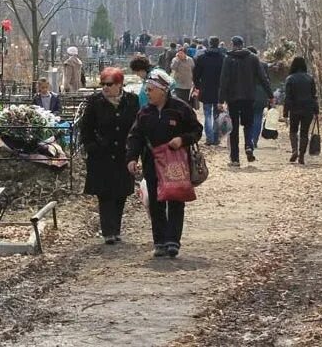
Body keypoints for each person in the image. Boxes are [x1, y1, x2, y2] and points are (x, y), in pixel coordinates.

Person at [126, 70, 203, 258]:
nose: (148, 93)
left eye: (151, 90)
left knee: (176, 199)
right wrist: (132, 158)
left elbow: (196, 130)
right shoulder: (144, 113)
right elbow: (135, 136)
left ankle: (173, 240)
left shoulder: (180, 109)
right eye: (147, 90)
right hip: (152, 162)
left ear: (163, 90)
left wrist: (182, 139)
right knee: (155, 201)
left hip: (176, 162)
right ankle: (159, 241)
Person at [79, 67, 140, 244]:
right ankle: (108, 231)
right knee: (105, 194)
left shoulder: (131, 100)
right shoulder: (95, 101)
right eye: (103, 84)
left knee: (121, 192)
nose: (105, 88)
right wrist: (91, 146)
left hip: (123, 154)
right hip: (102, 155)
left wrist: (134, 150)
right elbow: (86, 128)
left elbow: (136, 126)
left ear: (119, 84)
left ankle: (116, 228)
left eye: (109, 84)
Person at [219, 36, 273, 166]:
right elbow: (262, 77)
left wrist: (221, 100)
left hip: (232, 98)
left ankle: (235, 159)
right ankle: (249, 145)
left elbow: (224, 80)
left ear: (232, 44)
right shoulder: (253, 58)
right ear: (243, 44)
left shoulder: (228, 59)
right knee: (248, 124)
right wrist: (270, 95)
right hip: (249, 97)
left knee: (234, 128)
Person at [283, 56, 318, 164]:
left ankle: (294, 150)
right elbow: (314, 96)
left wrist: (285, 113)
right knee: (304, 132)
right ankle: (301, 154)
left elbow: (287, 97)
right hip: (308, 108)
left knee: (293, 130)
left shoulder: (290, 79)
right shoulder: (310, 78)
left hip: (295, 108)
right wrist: (316, 110)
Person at [193, 36, 226, 145]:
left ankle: (209, 138)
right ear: (218, 44)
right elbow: (226, 76)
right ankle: (216, 138)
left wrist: (198, 86)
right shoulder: (223, 58)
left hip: (206, 88)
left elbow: (196, 74)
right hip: (218, 90)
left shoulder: (202, 58)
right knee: (217, 114)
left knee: (207, 114)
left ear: (209, 44)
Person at [247, 46, 273, 151]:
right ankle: (255, 139)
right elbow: (266, 80)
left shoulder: (244, 65)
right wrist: (270, 95)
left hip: (248, 93)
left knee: (249, 117)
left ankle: (249, 139)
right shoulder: (263, 65)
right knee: (258, 117)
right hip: (261, 93)